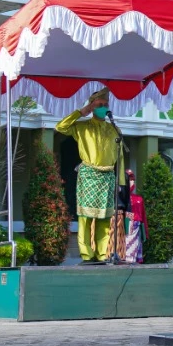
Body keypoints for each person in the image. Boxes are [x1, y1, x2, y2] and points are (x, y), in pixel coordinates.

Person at [56, 89, 121, 264]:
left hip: (107, 175)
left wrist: (120, 181)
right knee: (85, 217)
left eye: (106, 105)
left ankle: (101, 254)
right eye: (100, 105)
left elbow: (119, 155)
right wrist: (81, 112)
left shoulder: (113, 129)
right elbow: (60, 127)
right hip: (89, 174)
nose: (104, 108)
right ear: (92, 106)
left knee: (105, 218)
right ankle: (86, 254)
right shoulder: (82, 126)